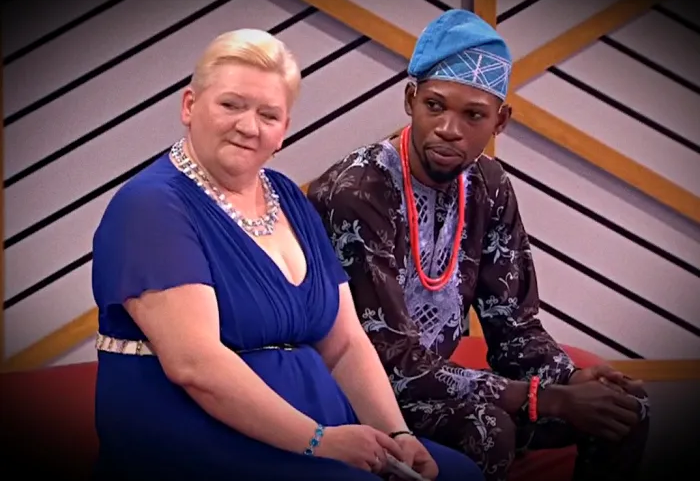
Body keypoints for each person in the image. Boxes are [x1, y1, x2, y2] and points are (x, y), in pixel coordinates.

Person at [90, 28, 485, 481]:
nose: (248, 126)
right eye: (231, 105)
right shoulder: (151, 206)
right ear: (189, 106)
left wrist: (396, 434)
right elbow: (195, 366)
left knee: (458, 475)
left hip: (319, 433)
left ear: (284, 131)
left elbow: (345, 342)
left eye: (268, 114)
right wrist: (320, 442)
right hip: (200, 439)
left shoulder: (288, 196)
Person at [307, 10, 650, 481]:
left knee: (624, 411)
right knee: (487, 429)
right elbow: (389, 360)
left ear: (500, 120)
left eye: (473, 115)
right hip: (356, 392)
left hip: (441, 390)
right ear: (410, 100)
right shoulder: (358, 191)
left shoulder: (488, 185)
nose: (449, 128)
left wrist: (570, 378)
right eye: (435, 106)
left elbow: (514, 326)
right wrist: (543, 398)